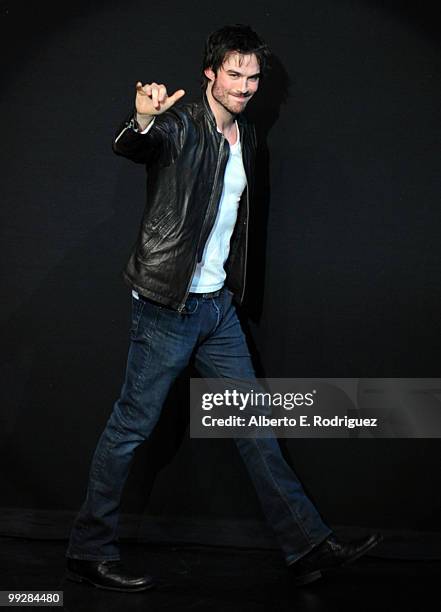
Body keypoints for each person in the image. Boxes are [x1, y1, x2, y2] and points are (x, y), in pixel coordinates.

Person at [65, 24, 381, 592]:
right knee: (131, 428)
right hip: (167, 305)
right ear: (209, 74)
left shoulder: (250, 138)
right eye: (232, 74)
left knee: (254, 427)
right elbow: (135, 145)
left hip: (216, 311)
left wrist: (230, 292)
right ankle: (88, 550)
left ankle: (307, 546)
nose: (243, 85)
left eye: (252, 76)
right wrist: (142, 118)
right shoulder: (182, 125)